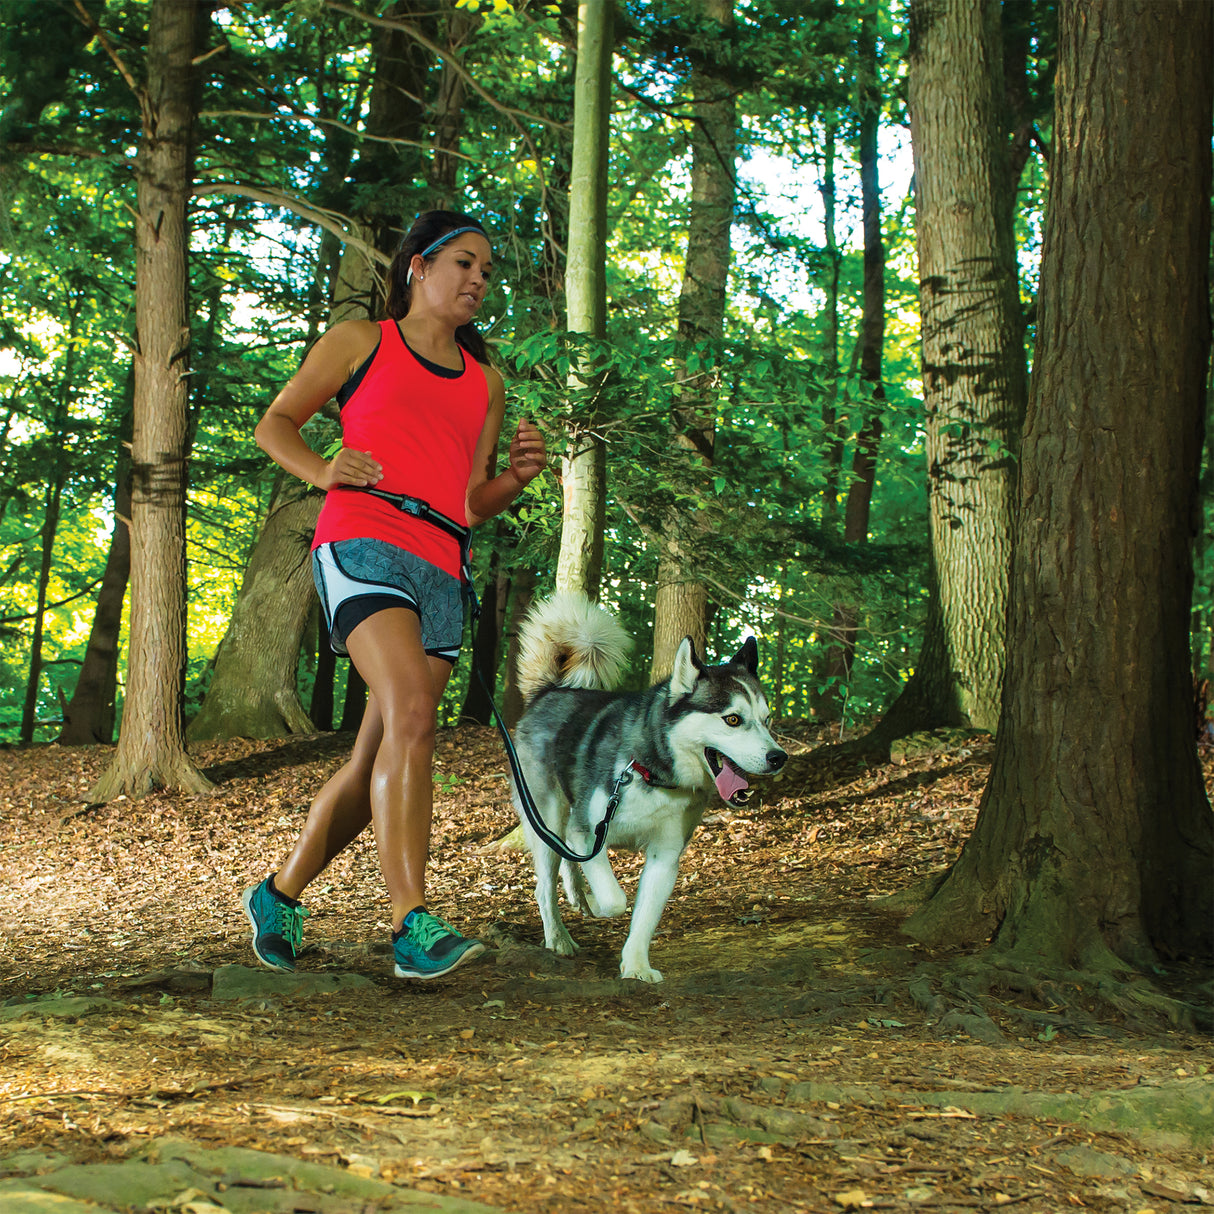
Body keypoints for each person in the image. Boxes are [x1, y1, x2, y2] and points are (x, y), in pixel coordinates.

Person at [242, 210, 546, 980]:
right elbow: (275, 423)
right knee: (413, 712)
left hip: (443, 565)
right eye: (464, 264)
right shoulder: (362, 343)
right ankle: (411, 921)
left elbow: (472, 501)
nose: (479, 279)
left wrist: (514, 479)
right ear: (418, 265)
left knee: (382, 749)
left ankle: (278, 894)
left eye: (487, 271)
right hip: (363, 540)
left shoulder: (487, 382)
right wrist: (322, 469)